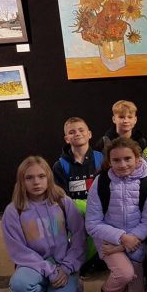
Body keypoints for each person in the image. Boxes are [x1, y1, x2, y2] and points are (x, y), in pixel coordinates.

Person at [1, 156, 86, 292]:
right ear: (21, 181)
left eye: (41, 176)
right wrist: (48, 270)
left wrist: (67, 267)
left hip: (63, 266)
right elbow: (18, 250)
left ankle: (74, 287)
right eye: (29, 178)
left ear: (49, 177)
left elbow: (79, 236)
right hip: (34, 266)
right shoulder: (14, 211)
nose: (36, 182)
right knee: (19, 284)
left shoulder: (63, 202)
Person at [85, 137, 147, 292]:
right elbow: (92, 223)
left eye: (127, 159)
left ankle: (130, 284)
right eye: (116, 160)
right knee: (124, 273)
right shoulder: (101, 182)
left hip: (135, 242)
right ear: (109, 161)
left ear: (137, 158)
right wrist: (121, 238)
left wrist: (128, 242)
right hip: (109, 242)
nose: (123, 164)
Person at [52, 116, 104, 275]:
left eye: (81, 130)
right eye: (72, 132)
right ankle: (76, 261)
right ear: (67, 139)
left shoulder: (101, 159)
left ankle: (93, 260)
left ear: (89, 134)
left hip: (99, 210)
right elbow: (61, 197)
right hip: (73, 211)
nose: (77, 134)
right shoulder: (60, 165)